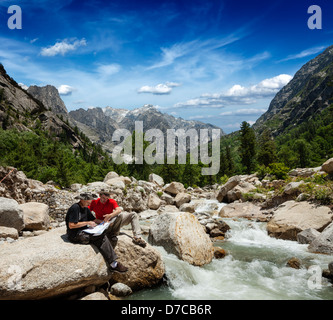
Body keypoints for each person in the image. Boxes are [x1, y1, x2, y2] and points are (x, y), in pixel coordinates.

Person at [65, 192, 128, 273]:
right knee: (101, 237)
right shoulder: (75, 208)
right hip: (75, 235)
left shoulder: (86, 208)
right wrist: (87, 223)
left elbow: (94, 219)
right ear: (82, 200)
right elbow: (71, 225)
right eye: (88, 200)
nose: (90, 202)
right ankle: (114, 264)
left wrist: (104, 222)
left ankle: (113, 263)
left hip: (84, 231)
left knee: (101, 235)